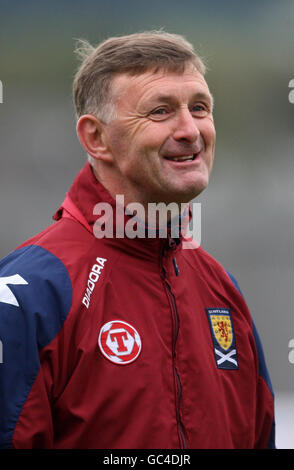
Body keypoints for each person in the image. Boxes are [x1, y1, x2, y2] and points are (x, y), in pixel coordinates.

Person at [0, 31, 275, 449]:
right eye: (161, 111)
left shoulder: (222, 290)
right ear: (96, 138)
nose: (190, 130)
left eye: (199, 108)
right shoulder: (30, 294)